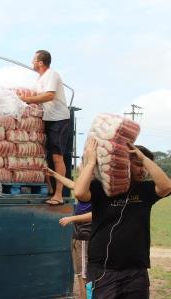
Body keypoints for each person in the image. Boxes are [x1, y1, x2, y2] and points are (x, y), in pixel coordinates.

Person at [74, 138, 171, 298]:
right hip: (102, 270)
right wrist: (91, 162)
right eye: (137, 165)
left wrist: (144, 158)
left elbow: (166, 186)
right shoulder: (102, 187)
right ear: (125, 164)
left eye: (144, 166)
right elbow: (79, 192)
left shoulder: (146, 190)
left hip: (136, 271)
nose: (143, 170)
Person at [23, 50, 71, 205]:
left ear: (40, 62)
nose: (32, 62)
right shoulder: (40, 79)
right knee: (46, 155)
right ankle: (50, 188)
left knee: (57, 157)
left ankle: (59, 194)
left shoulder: (52, 74)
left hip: (59, 119)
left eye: (34, 59)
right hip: (48, 119)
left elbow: (49, 95)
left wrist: (27, 100)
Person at [45, 167, 92, 299]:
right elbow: (72, 184)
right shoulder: (85, 186)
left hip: (84, 236)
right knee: (80, 273)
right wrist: (54, 174)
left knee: (83, 274)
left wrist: (72, 218)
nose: (79, 167)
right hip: (79, 235)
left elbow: (96, 214)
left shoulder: (93, 188)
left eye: (83, 163)